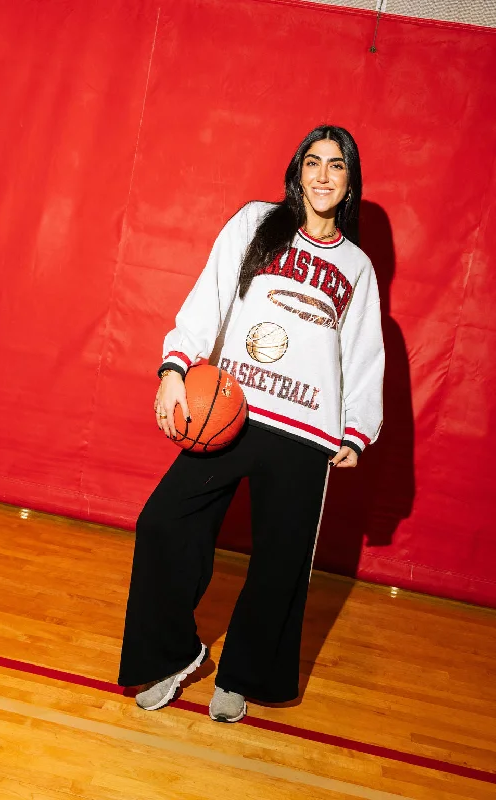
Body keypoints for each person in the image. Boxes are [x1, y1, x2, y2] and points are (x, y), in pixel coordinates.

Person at [118, 125, 385, 724]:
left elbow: (365, 351)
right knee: (162, 522)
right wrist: (174, 368)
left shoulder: (358, 268)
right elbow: (207, 296)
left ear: (349, 182)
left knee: (280, 560)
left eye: (335, 166)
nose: (322, 175)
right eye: (312, 162)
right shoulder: (255, 226)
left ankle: (241, 674)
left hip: (307, 429)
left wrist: (356, 428)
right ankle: (173, 654)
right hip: (232, 409)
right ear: (297, 171)